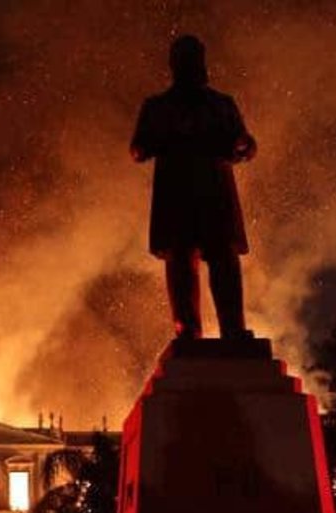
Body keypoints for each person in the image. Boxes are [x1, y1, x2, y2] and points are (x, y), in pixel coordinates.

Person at [131, 34, 257, 341]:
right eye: (185, 59)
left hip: (214, 192)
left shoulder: (221, 104)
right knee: (181, 262)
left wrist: (243, 145)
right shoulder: (157, 107)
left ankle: (233, 329)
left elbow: (245, 142)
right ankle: (187, 330)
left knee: (224, 260)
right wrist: (171, 138)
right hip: (177, 196)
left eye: (195, 58)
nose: (191, 65)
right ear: (175, 65)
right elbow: (138, 149)